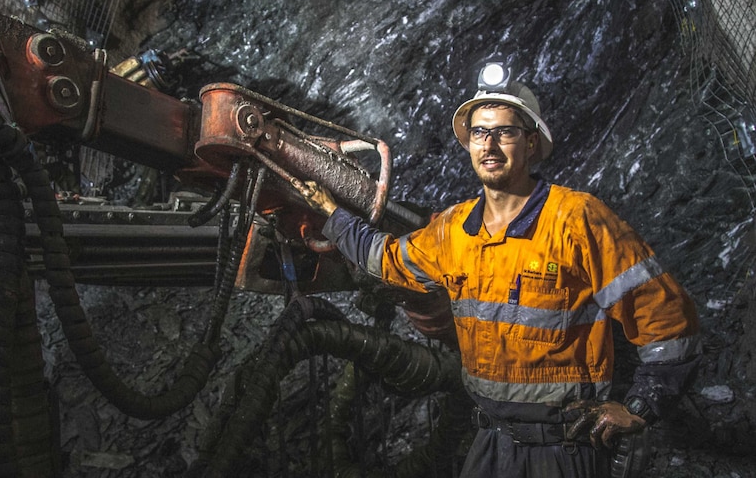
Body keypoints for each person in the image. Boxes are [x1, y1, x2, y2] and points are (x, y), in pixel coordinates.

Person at [298, 62, 701, 478]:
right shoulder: (454, 229)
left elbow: (669, 319)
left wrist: (639, 407)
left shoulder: (577, 219)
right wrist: (330, 213)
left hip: (563, 450)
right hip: (490, 442)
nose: (489, 145)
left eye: (504, 132)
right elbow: (387, 260)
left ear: (530, 143)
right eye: (478, 132)